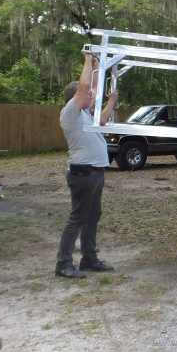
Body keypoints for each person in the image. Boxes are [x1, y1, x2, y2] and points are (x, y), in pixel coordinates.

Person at [55, 53, 118, 279]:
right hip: (83, 173)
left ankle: (89, 259)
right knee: (78, 217)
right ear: (75, 97)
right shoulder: (70, 112)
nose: (92, 96)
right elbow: (84, 86)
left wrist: (99, 69)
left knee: (92, 216)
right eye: (87, 95)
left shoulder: (84, 114)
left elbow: (100, 119)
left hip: (95, 172)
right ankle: (63, 263)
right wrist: (87, 59)